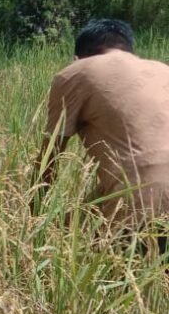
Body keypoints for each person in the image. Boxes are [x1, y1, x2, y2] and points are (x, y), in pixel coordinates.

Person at [33, 18, 169, 253]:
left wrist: (31, 224)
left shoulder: (76, 72)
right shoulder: (162, 70)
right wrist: (72, 219)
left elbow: (49, 160)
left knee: (97, 267)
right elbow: (145, 164)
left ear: (78, 58)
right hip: (149, 197)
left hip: (145, 212)